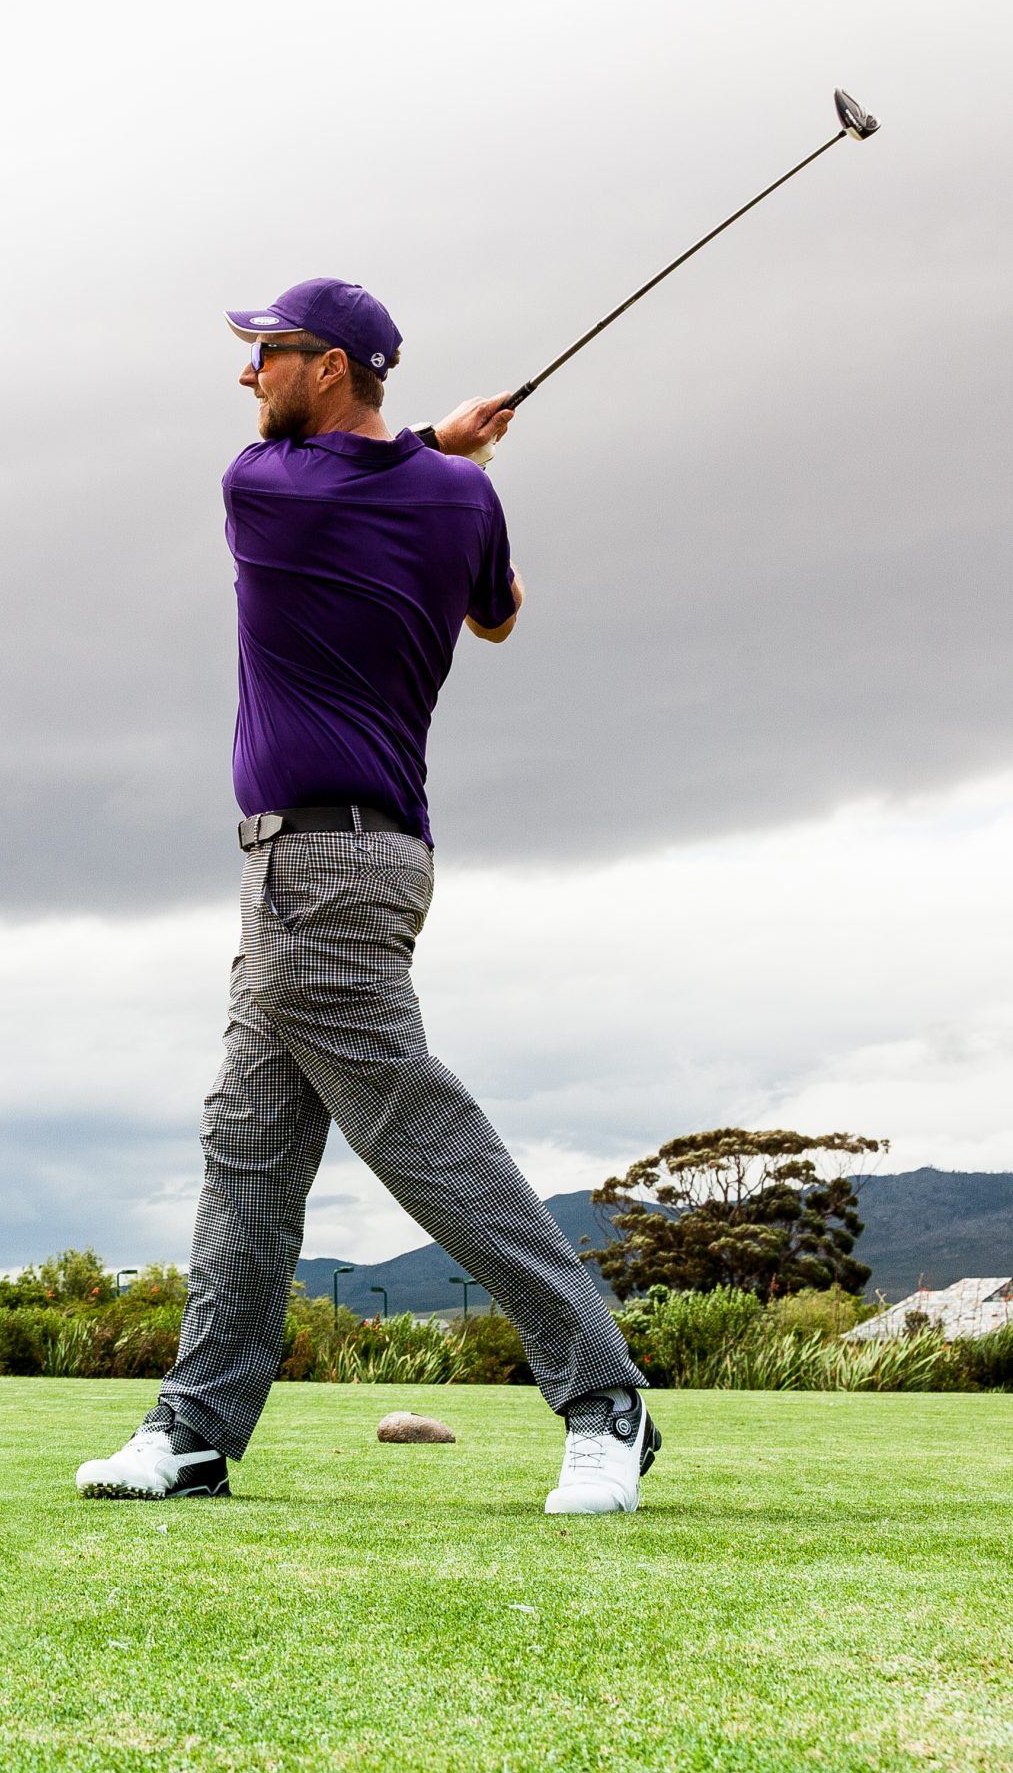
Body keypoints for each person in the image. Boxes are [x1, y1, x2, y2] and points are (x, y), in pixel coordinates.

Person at [76, 279, 658, 1515]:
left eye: (267, 353)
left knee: (412, 1125)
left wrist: (439, 446)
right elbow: (496, 617)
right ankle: (194, 1430)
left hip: (326, 870)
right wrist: (446, 458)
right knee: (248, 1148)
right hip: (333, 862)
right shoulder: (463, 499)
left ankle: (604, 1395)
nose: (249, 375)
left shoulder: (260, 487)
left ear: (329, 366)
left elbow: (349, 482)